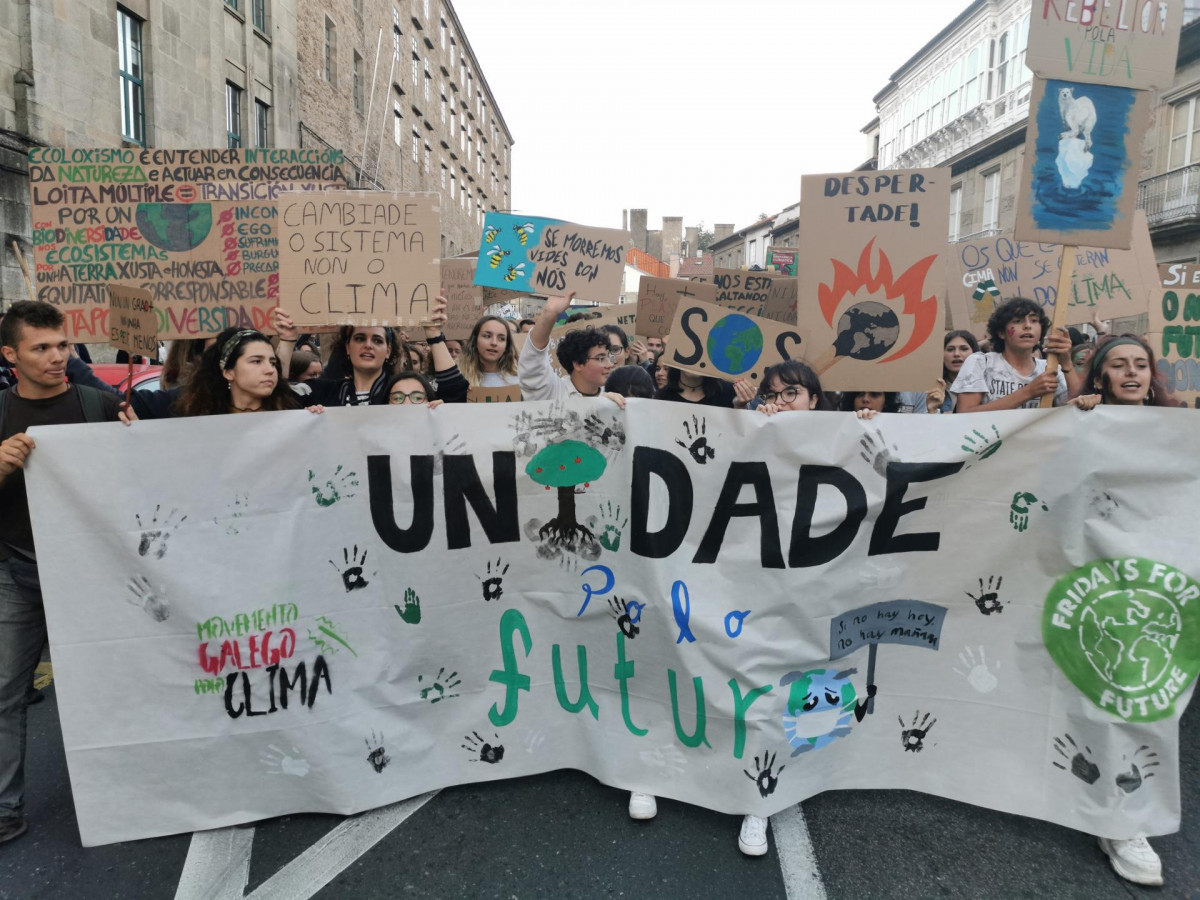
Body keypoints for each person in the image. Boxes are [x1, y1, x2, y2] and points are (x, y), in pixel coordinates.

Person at [0, 301, 135, 846]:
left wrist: (137, 441)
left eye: (62, 345)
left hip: (93, 573)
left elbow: (138, 483)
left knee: (113, 685)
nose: (57, 357)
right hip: (17, 571)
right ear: (10, 355)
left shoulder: (100, 405)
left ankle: (129, 795)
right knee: (5, 693)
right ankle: (5, 807)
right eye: (41, 348)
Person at [951, 298, 1081, 412]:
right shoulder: (981, 363)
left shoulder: (1051, 369)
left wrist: (1066, 362)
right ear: (1001, 332)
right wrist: (1028, 392)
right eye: (1018, 321)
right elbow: (965, 415)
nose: (1027, 326)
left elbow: (1075, 407)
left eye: (1034, 320)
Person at [517, 291, 625, 406]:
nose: (610, 364)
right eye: (600, 358)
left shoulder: (615, 396)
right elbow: (532, 363)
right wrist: (550, 313)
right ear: (578, 364)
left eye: (608, 357)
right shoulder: (553, 392)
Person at [174, 328, 314, 416]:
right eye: (256, 361)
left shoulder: (292, 412)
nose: (270, 370)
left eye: (272, 363)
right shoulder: (198, 417)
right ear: (229, 372)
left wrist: (314, 419)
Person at [896, 330, 980, 414]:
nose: (956, 354)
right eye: (950, 349)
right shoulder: (930, 388)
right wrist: (933, 411)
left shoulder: (985, 387)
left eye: (964, 349)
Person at [1079, 334, 1172, 408]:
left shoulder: (1172, 422)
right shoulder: (1080, 421)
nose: (1132, 371)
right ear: (1098, 381)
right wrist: (1073, 413)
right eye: (1118, 365)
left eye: (1141, 365)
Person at [457, 316, 520, 388]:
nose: (494, 343)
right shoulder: (459, 379)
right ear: (475, 341)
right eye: (487, 336)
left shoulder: (519, 381)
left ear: (506, 346)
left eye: (501, 339)